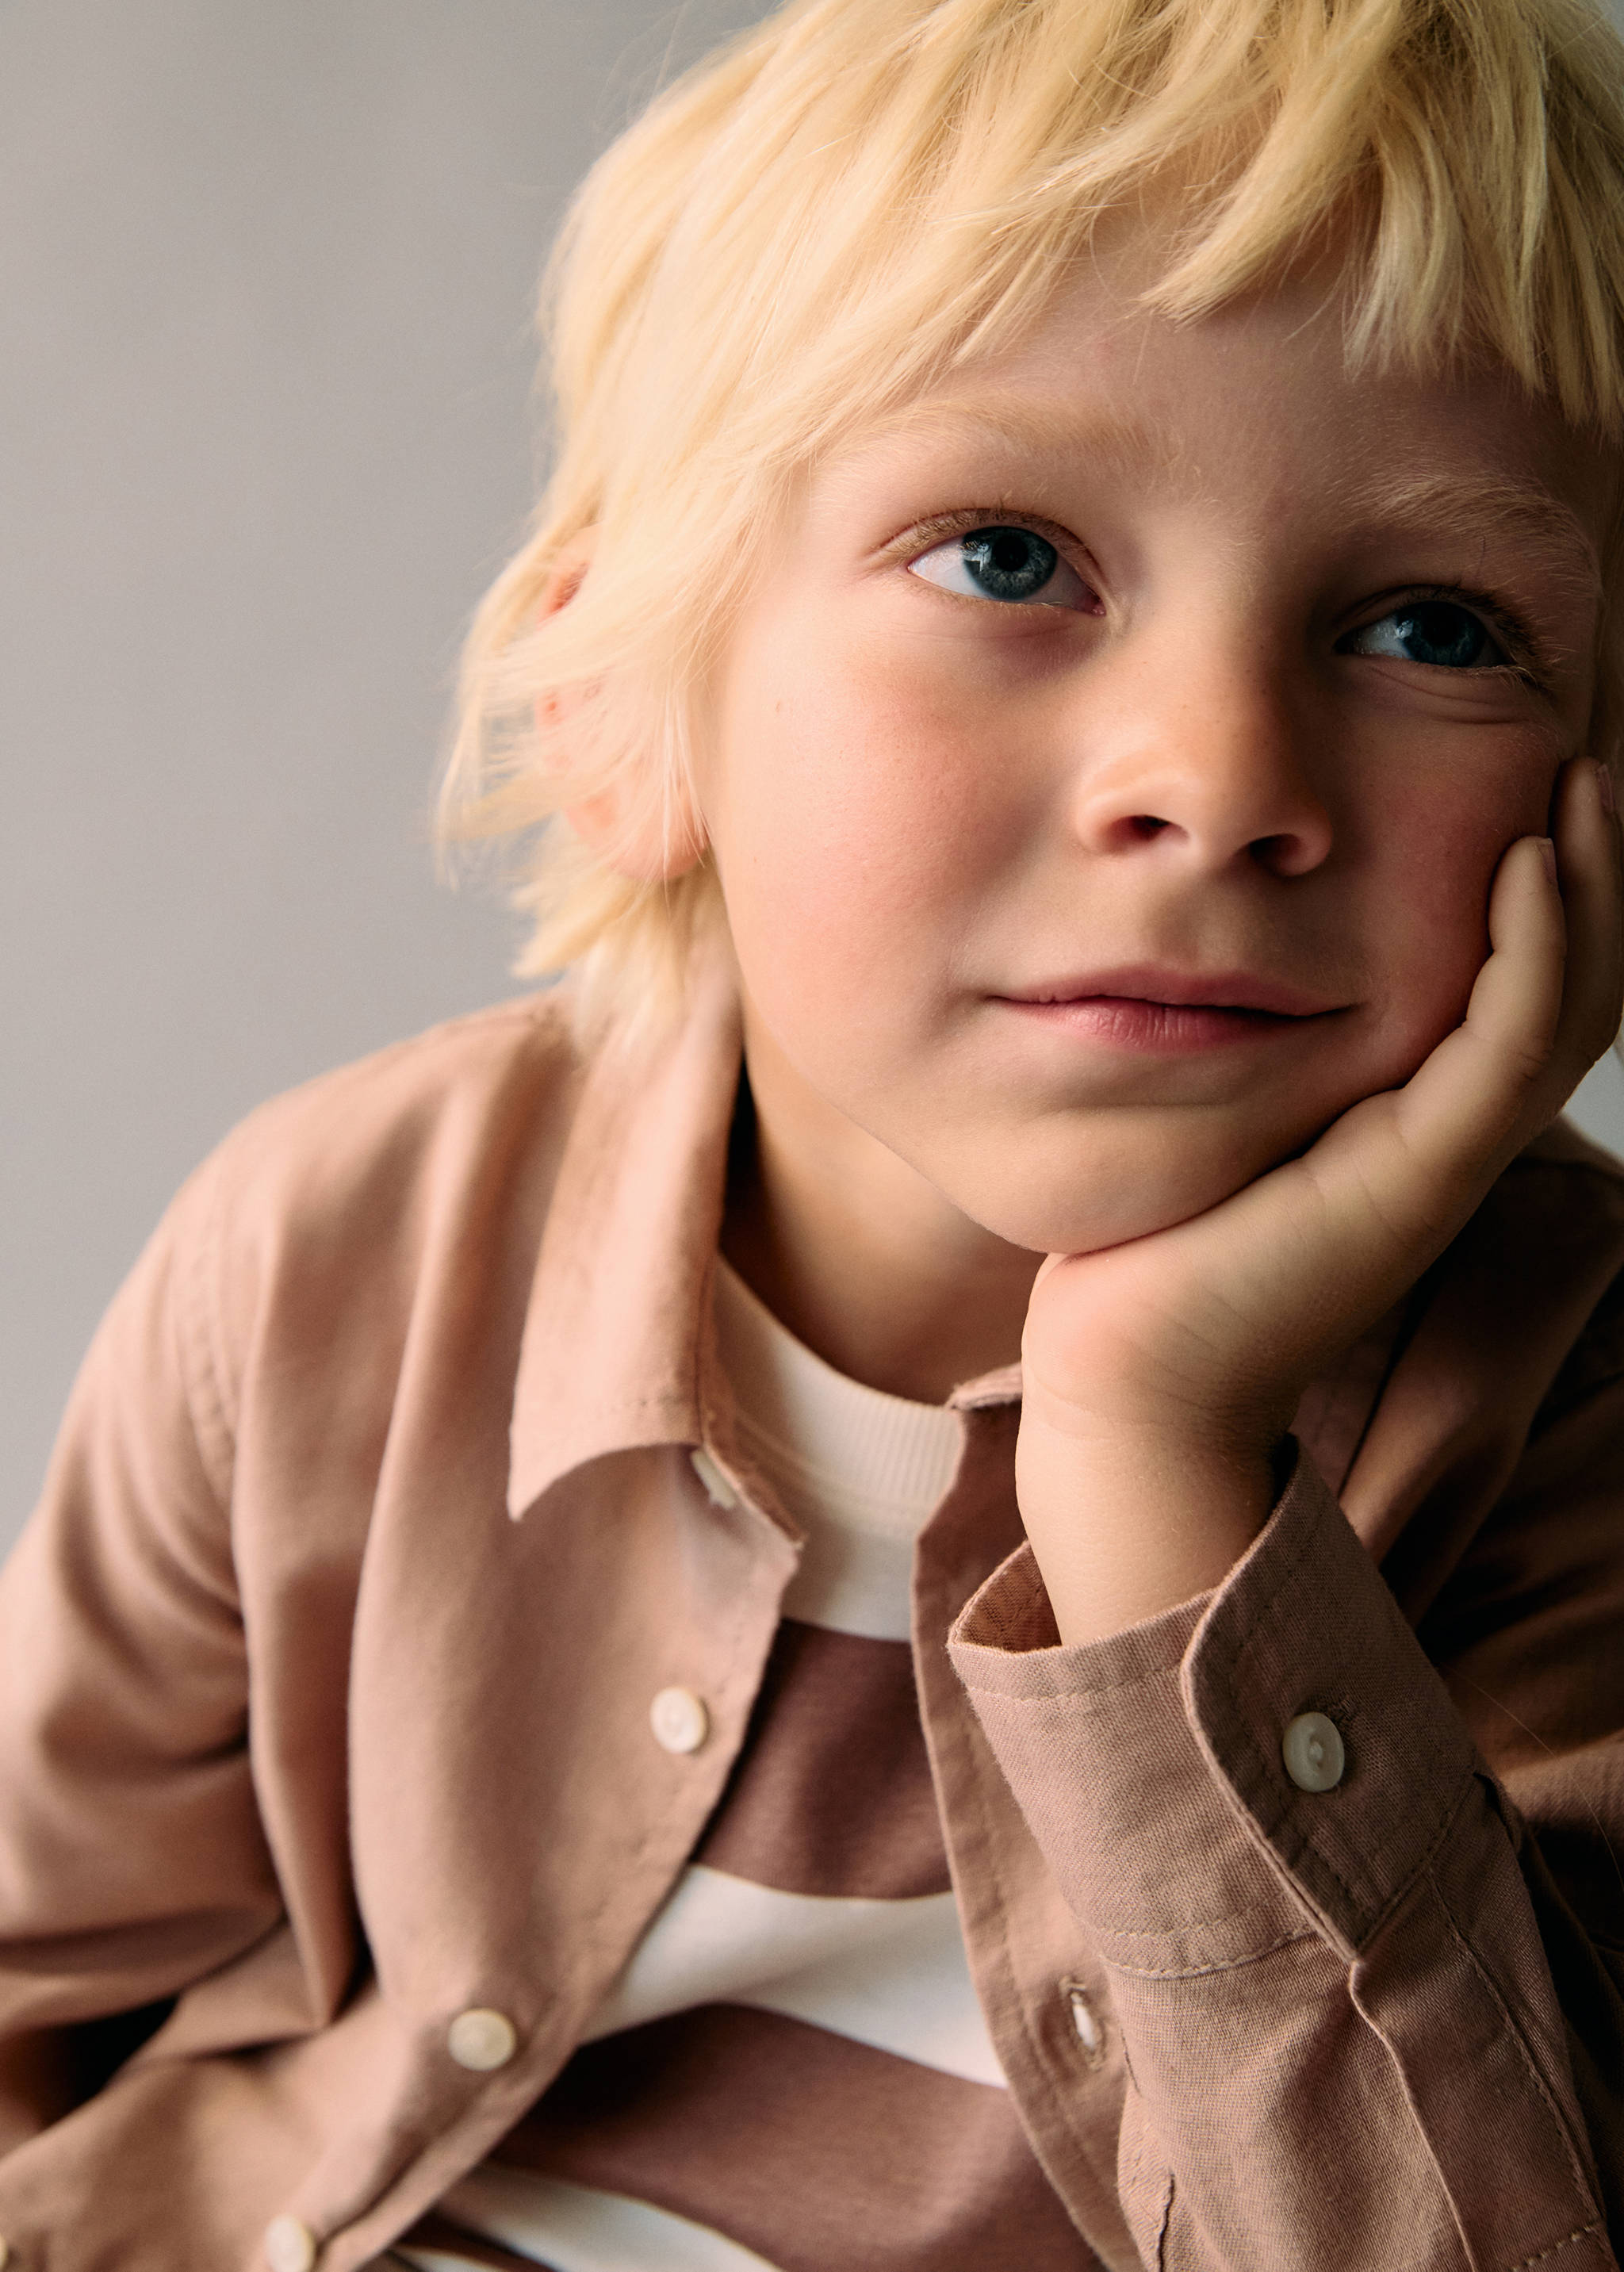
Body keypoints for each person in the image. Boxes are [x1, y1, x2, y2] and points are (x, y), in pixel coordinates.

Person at [6, 0, 1624, 2263]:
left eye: (1431, 622)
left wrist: (1156, 1456)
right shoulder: (329, 1253)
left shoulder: (1572, 1403)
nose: (1222, 772)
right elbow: (37, 2000)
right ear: (621, 706)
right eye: (1005, 558)